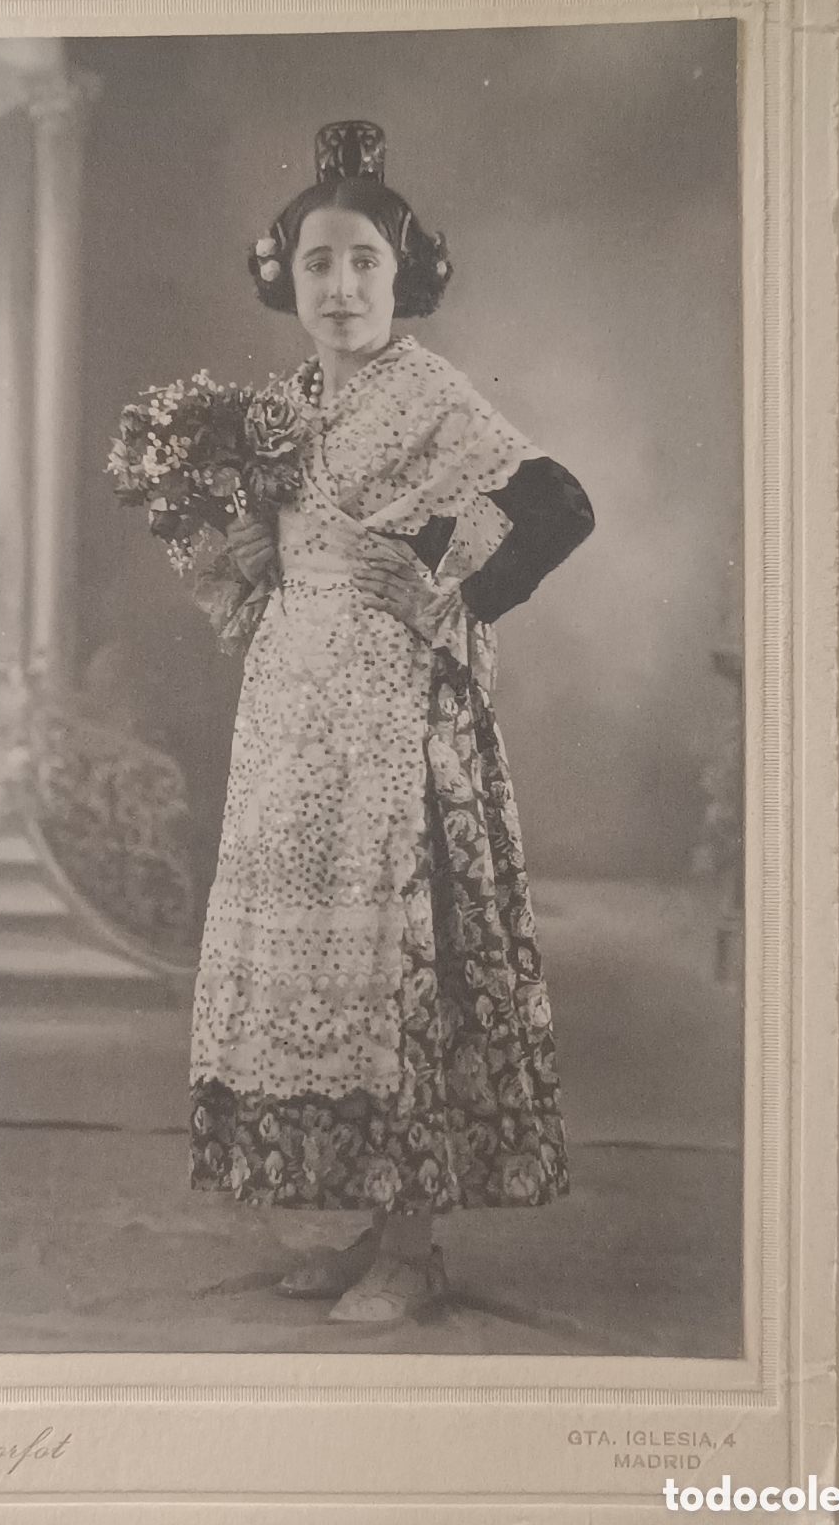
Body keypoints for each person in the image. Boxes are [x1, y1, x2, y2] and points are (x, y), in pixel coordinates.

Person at [188, 120, 595, 1323]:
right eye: (317, 263)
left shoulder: (426, 393)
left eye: (365, 260)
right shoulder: (283, 404)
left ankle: (412, 1248)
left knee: (387, 968)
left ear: (402, 270)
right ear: (285, 277)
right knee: (305, 962)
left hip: (392, 721)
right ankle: (351, 1221)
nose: (342, 285)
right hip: (289, 716)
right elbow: (283, 549)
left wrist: (452, 595)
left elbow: (559, 506)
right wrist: (254, 548)